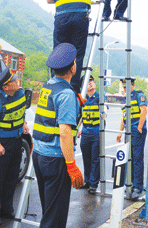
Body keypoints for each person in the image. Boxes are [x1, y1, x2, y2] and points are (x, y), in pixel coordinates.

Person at [32, 42, 84, 228]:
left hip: (39, 155)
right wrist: (71, 165)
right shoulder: (66, 94)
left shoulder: (48, 87)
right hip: (55, 159)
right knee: (55, 218)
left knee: (49, 210)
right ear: (72, 68)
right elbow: (64, 132)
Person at [46, 0, 99, 91]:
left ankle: (56, 84)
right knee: (77, 52)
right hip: (80, 17)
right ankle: (73, 87)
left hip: (62, 17)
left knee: (59, 49)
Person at [0, 67, 30, 226]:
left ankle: (7, 209)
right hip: (2, 144)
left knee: (12, 178)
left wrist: (24, 123)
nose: (17, 82)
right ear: (5, 87)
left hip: (17, 141)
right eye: (14, 81)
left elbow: (21, 111)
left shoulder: (20, 93)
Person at [116, 78, 147, 200]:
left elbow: (143, 110)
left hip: (136, 130)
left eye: (127, 86)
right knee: (129, 158)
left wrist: (139, 127)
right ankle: (131, 183)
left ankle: (137, 187)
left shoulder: (139, 95)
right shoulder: (124, 99)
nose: (125, 89)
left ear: (133, 85)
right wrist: (120, 132)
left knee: (137, 158)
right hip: (128, 131)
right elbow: (123, 117)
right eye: (123, 87)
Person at [79, 75, 105, 194]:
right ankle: (87, 180)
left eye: (92, 81)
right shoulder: (82, 98)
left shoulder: (100, 97)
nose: (90, 83)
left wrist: (104, 115)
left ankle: (93, 184)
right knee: (86, 158)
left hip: (95, 133)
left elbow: (105, 111)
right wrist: (79, 129)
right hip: (85, 132)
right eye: (88, 82)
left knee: (95, 159)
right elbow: (80, 116)